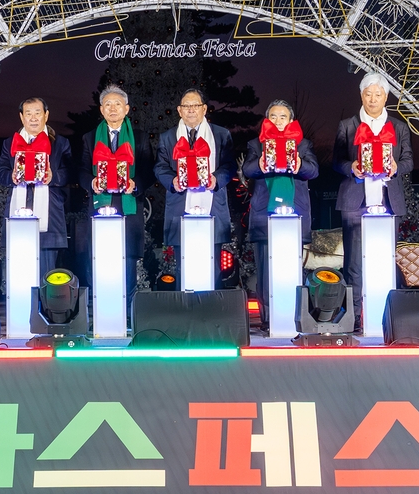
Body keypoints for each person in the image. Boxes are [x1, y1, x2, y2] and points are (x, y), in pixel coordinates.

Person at [333, 73, 413, 324]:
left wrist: (396, 167)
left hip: (388, 201)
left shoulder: (399, 127)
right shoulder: (347, 125)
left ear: (386, 97)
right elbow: (336, 161)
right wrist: (351, 167)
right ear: (361, 95)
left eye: (378, 94)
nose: (372, 99)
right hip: (356, 200)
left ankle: (386, 318)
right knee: (354, 264)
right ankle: (354, 317)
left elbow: (409, 160)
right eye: (368, 94)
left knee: (384, 261)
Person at [242, 100, 319, 324]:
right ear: (267, 120)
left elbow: (313, 170)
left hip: (294, 216)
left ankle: (294, 318)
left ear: (291, 120)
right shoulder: (257, 144)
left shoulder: (303, 145)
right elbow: (247, 169)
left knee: (291, 269)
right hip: (264, 216)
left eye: (282, 117)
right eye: (273, 116)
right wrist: (261, 164)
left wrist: (298, 164)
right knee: (265, 271)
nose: (278, 121)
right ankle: (268, 320)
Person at [153, 88, 237, 287]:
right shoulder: (168, 137)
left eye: (195, 106)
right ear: (179, 110)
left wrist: (216, 179)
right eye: (186, 106)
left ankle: (212, 308)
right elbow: (160, 166)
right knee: (184, 262)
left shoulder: (221, 134)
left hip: (212, 205)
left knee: (213, 263)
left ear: (204, 109)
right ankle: (187, 309)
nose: (191, 110)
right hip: (180, 205)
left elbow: (229, 165)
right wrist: (171, 181)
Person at [79, 85, 154, 302]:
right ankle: (103, 307)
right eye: (108, 105)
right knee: (100, 258)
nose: (113, 109)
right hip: (100, 205)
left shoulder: (139, 138)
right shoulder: (90, 138)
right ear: (101, 110)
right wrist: (91, 181)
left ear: (127, 109)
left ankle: (129, 311)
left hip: (129, 205)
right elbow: (82, 169)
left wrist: (136, 183)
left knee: (128, 260)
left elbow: (149, 171)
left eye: (117, 104)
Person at [0, 97, 72, 278]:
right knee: (19, 273)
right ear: (22, 117)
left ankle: (46, 307)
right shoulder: (10, 143)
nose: (33, 118)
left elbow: (71, 173)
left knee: (47, 275)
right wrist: (11, 177)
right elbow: (0, 173)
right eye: (28, 114)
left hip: (50, 216)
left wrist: (54, 176)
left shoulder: (61, 143)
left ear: (46, 115)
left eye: (38, 113)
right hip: (18, 213)